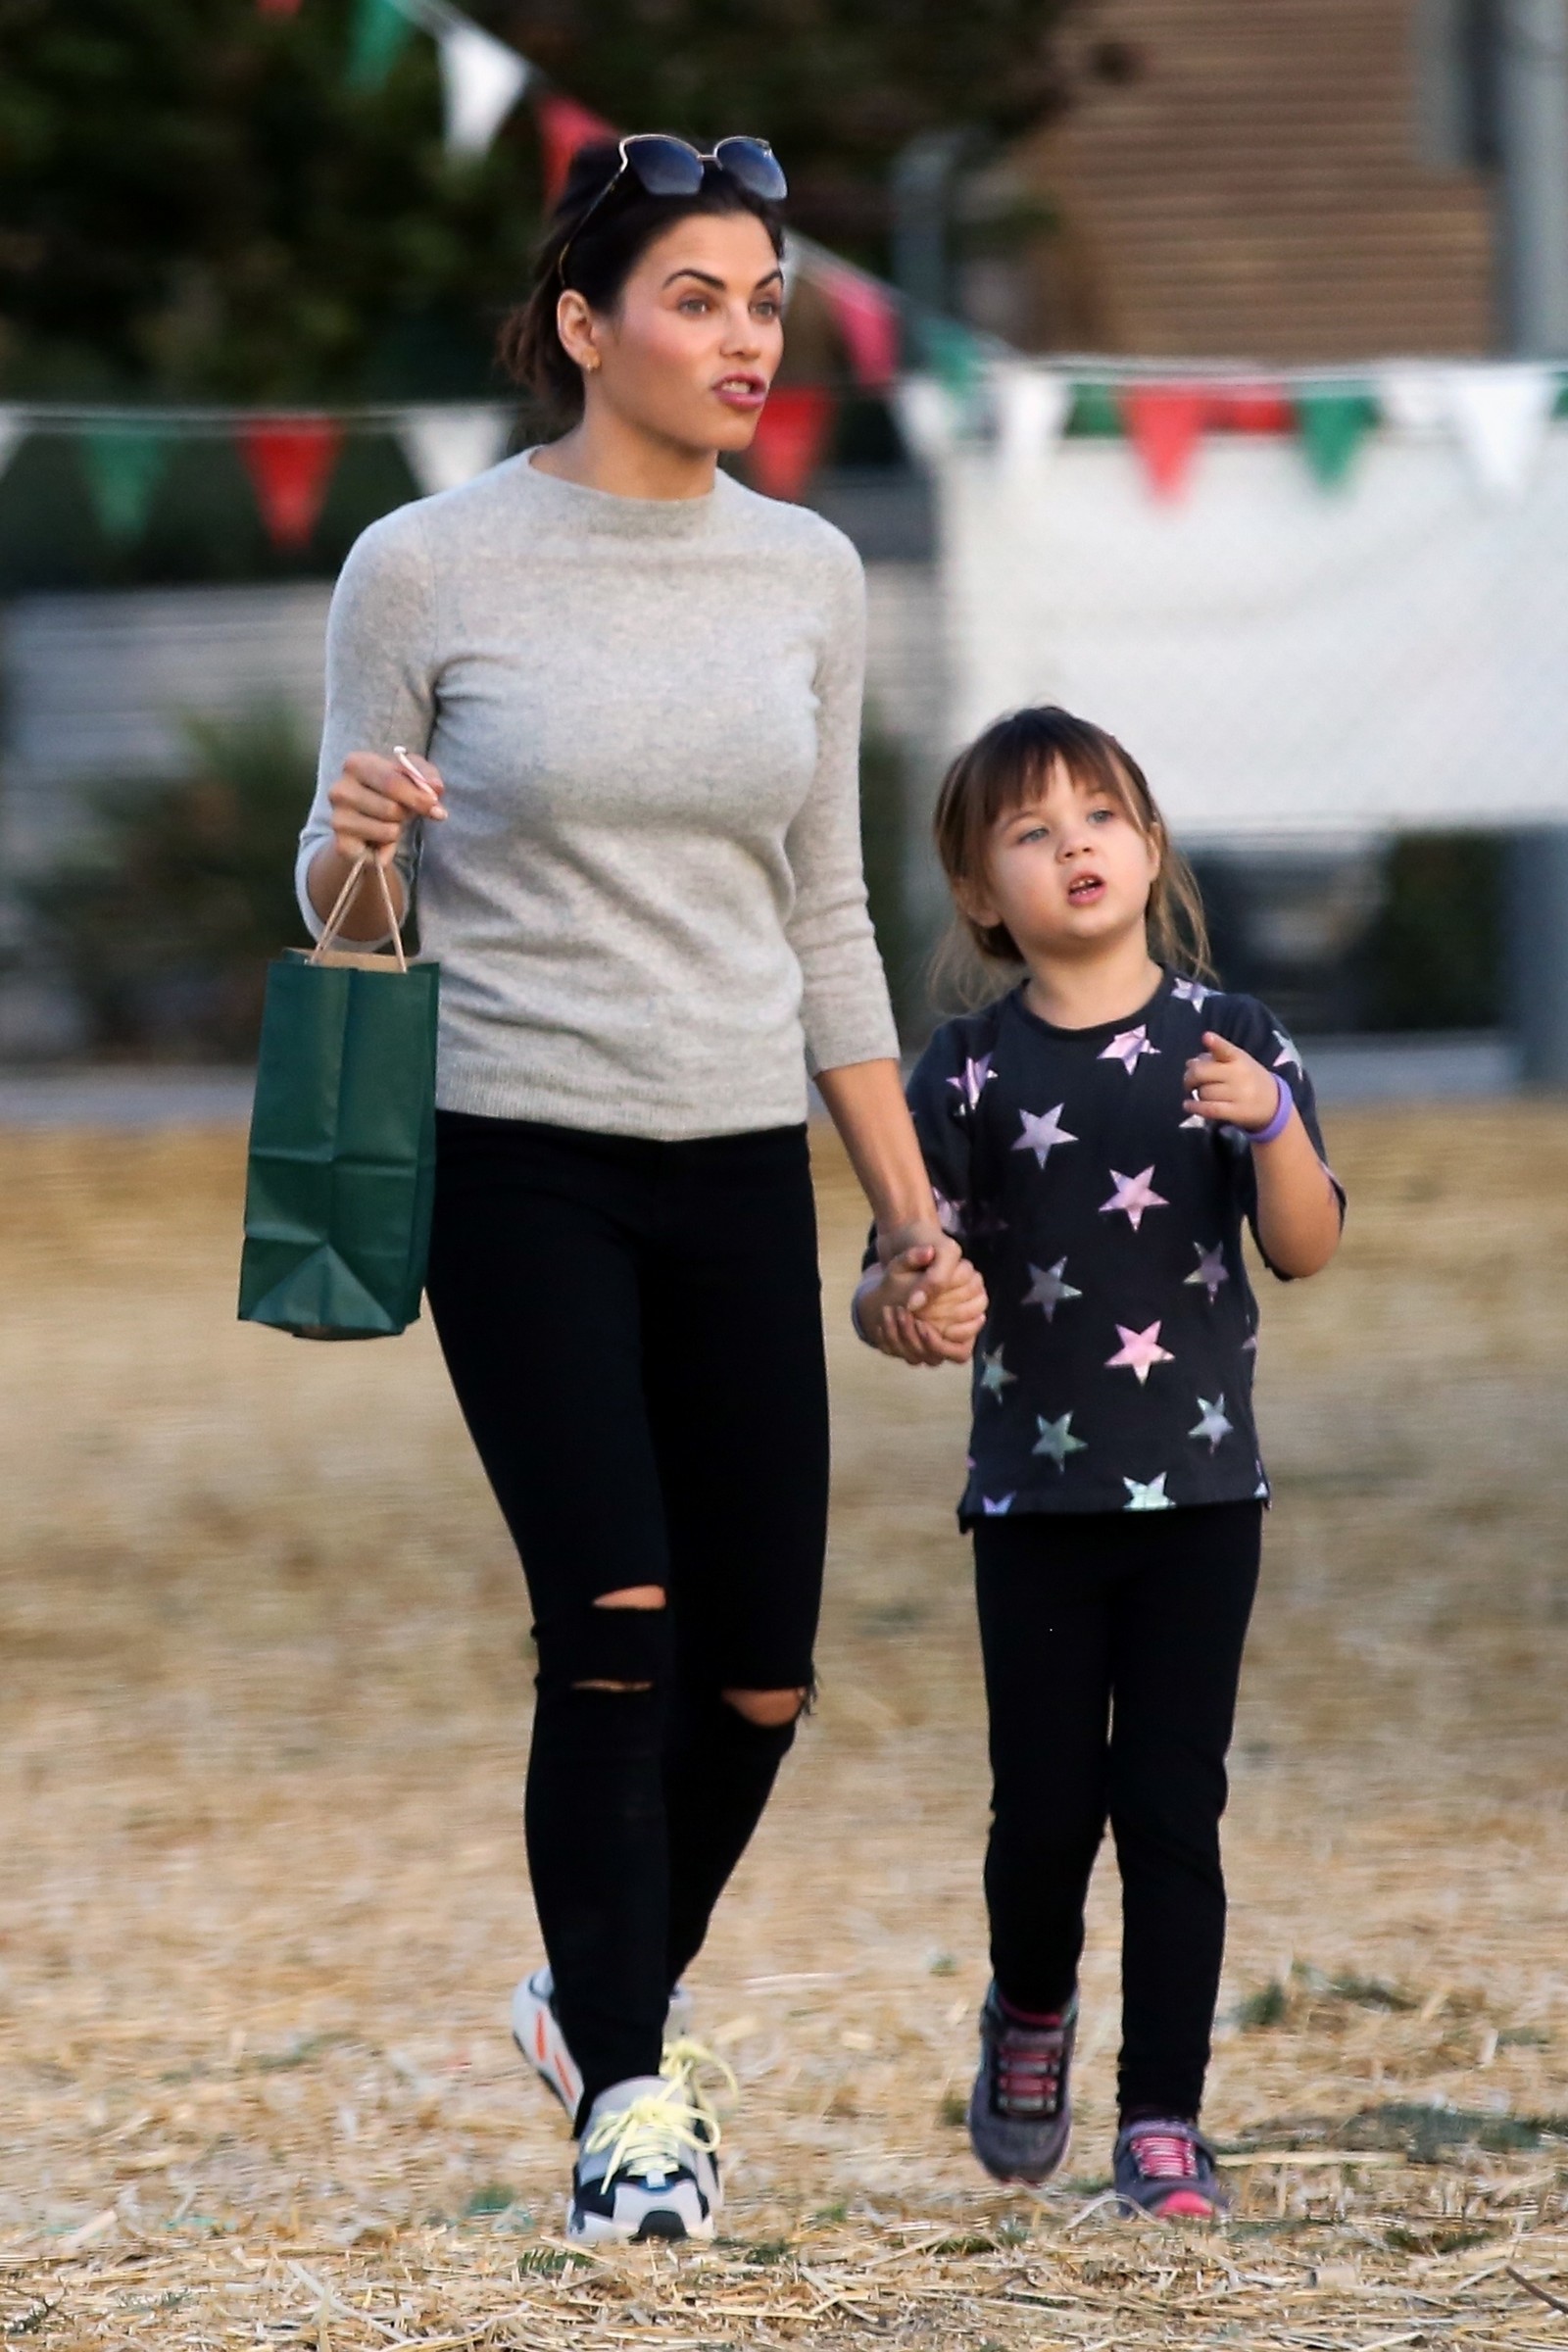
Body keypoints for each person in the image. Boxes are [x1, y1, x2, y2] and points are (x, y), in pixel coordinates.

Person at [294, 135, 985, 2245]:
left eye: (766, 300)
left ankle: (589, 1987)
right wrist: (358, 842)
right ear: (586, 328)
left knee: (759, 1675)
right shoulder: (423, 565)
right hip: (515, 1163)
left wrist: (909, 1214)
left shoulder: (807, 573)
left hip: (734, 1164)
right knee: (612, 1627)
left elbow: (826, 915)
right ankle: (626, 2107)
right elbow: (337, 911)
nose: (747, 338)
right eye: (698, 299)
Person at [854, 706, 1345, 2219]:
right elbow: (888, 1271)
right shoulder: (964, 1072)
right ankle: (1031, 2007)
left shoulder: (1233, 1039)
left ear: (1150, 847)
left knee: (1173, 1810)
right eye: (1031, 829)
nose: (1075, 845)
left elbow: (1309, 1244)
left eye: (1101, 816)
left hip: (1204, 1501)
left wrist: (1274, 1125)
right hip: (1038, 1506)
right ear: (981, 894)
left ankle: (1163, 2121)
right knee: (1046, 1812)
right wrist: (907, 1303)